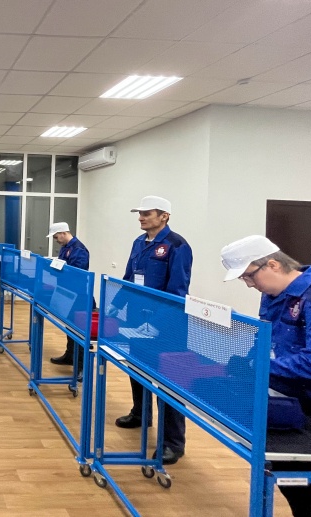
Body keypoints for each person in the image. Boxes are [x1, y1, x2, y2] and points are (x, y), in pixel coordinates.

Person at [221, 235, 311, 517]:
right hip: (290, 406)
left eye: (249, 276)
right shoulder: (271, 296)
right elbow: (266, 341)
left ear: (272, 264)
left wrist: (260, 367)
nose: (249, 284)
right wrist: (248, 360)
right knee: (293, 486)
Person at [109, 196, 192, 466]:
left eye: (147, 213)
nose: (141, 218)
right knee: (137, 370)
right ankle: (140, 414)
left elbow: (177, 292)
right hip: (137, 319)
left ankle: (173, 443)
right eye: (140, 213)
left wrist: (157, 323)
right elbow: (129, 279)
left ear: (164, 216)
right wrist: (115, 306)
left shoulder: (177, 245)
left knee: (168, 383)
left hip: (167, 327)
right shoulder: (139, 242)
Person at [47, 222, 92, 368]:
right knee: (69, 327)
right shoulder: (65, 248)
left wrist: (58, 270)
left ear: (63, 233)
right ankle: (70, 355)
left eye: (56, 237)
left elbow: (77, 273)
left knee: (78, 330)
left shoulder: (79, 249)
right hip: (66, 292)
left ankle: (81, 366)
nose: (56, 240)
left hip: (78, 295)